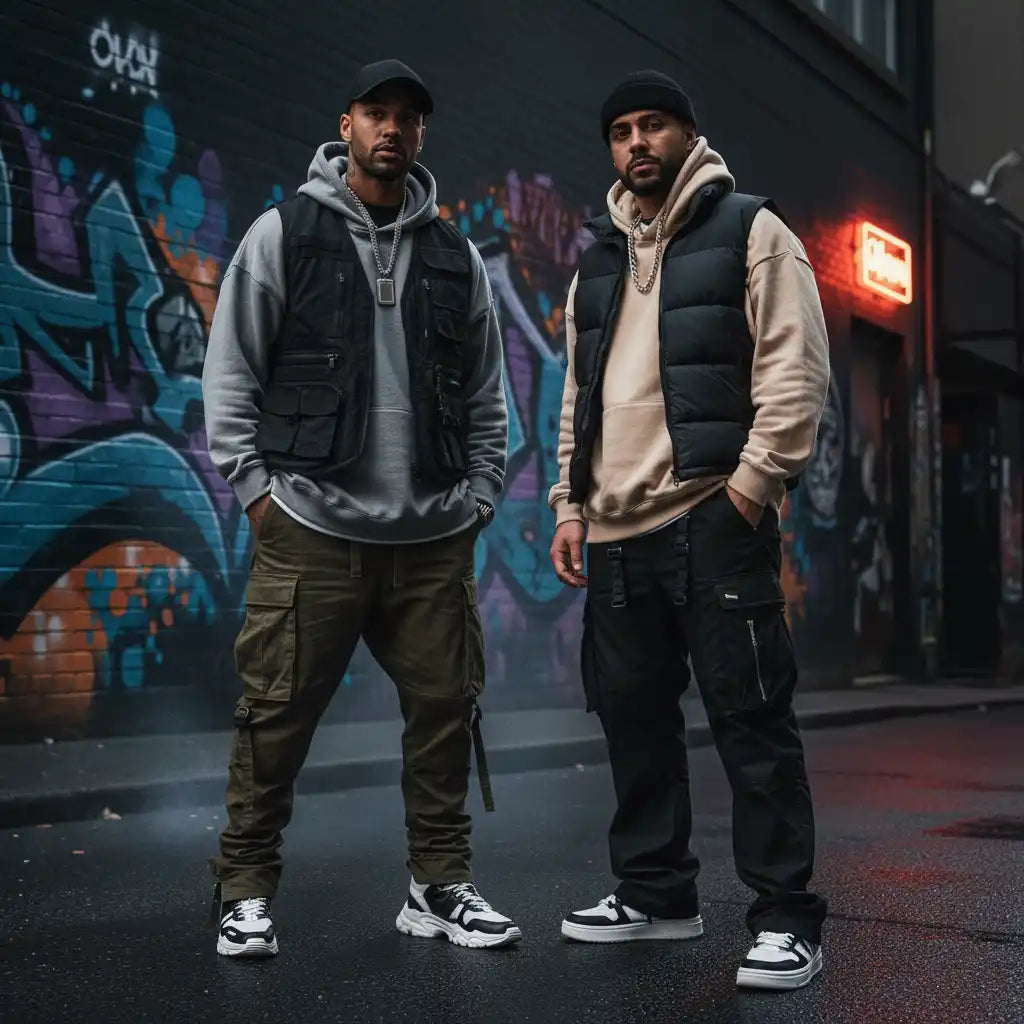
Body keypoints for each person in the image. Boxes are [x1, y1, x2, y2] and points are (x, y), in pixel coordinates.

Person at [203, 59, 519, 957]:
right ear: (345, 124)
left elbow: (489, 391)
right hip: (310, 530)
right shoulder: (285, 233)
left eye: (408, 118)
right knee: (274, 718)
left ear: (422, 136)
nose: (392, 129)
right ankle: (244, 888)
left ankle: (438, 885)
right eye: (375, 113)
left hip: (431, 539)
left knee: (444, 715)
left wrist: (482, 494)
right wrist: (259, 496)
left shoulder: (457, 257)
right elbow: (231, 371)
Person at [547, 70, 830, 991]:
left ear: (686, 134)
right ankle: (657, 893)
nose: (637, 143)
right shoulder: (594, 259)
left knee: (751, 720)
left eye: (653, 125)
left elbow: (795, 375)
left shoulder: (753, 231)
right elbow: (577, 396)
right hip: (618, 529)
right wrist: (568, 503)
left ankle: (787, 919)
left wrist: (748, 489)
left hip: (711, 516)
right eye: (621, 129)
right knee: (633, 721)